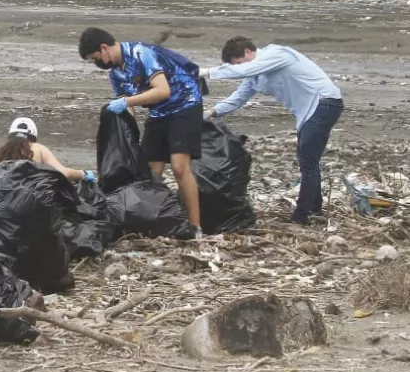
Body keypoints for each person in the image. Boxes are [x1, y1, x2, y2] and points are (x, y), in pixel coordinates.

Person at [79, 27, 204, 236]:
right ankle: (157, 220)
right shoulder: (116, 74)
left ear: (104, 48)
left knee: (179, 166)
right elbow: (127, 105)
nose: (98, 63)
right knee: (150, 171)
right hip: (159, 113)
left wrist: (126, 101)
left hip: (185, 104)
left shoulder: (141, 53)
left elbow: (163, 91)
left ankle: (195, 226)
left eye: (95, 58)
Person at [206, 37, 342, 225]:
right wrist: (211, 112)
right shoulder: (255, 75)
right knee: (308, 161)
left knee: (308, 162)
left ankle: (301, 217)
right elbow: (239, 97)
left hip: (324, 102)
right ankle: (315, 210)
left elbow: (245, 70)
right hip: (307, 112)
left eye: (237, 63)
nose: (238, 68)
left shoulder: (276, 54)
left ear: (247, 52)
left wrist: (204, 72)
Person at [0, 118, 97, 183]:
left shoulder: (0, 152)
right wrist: (84, 174)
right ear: (33, 135)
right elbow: (63, 173)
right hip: (27, 202)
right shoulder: (37, 148)